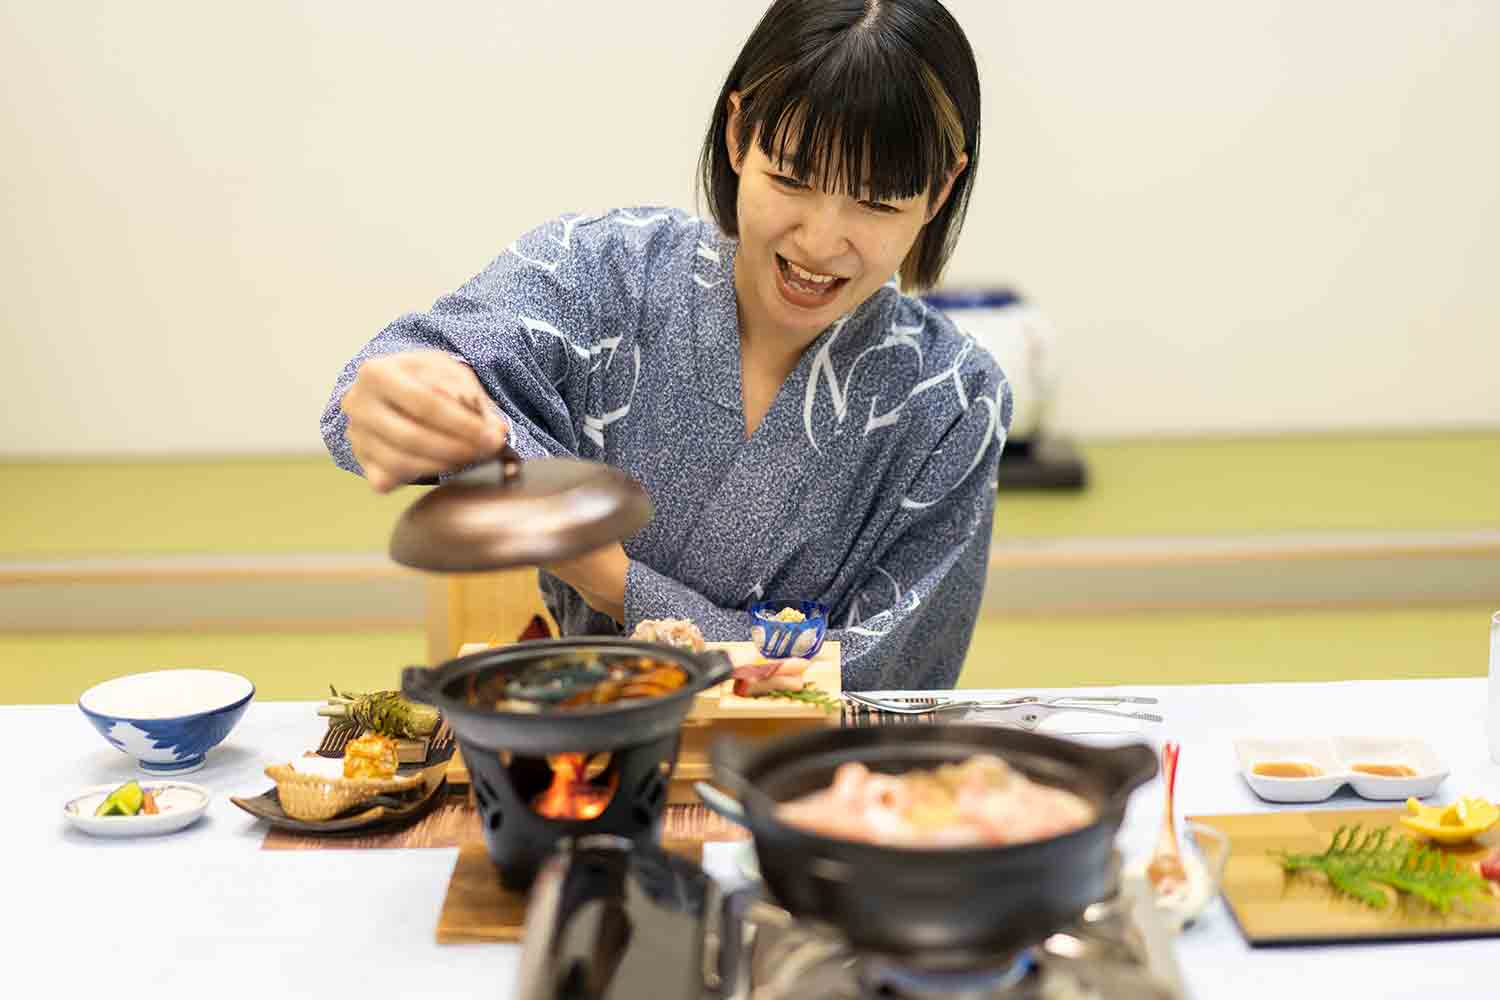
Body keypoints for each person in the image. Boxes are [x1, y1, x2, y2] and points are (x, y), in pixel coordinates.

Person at [321, 0, 1011, 691]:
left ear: (941, 190)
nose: (821, 241)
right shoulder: (600, 272)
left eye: (878, 203)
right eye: (792, 180)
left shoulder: (953, 400)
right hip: (588, 750)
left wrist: (616, 584)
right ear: (739, 135)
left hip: (814, 783)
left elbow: (888, 679)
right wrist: (405, 396)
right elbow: (434, 360)